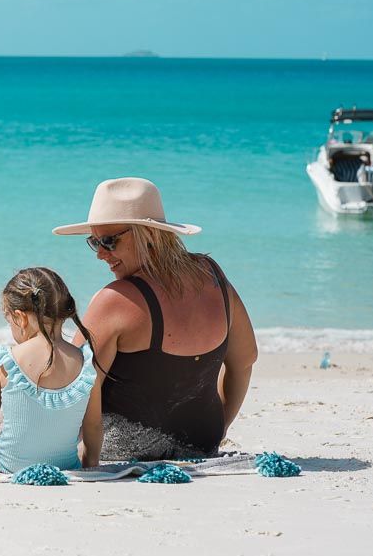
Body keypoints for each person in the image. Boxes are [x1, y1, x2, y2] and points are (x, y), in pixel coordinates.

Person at [53, 178, 257, 461]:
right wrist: (219, 429)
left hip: (123, 449)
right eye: (94, 242)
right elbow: (245, 361)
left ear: (147, 235)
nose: (100, 254)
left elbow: (71, 389)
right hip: (201, 445)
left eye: (109, 241)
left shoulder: (116, 300)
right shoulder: (213, 276)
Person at [0, 267, 100, 472]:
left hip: (10, 464)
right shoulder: (86, 362)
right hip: (65, 464)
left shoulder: (6, 360)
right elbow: (93, 425)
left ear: (20, 317)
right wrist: (90, 465)